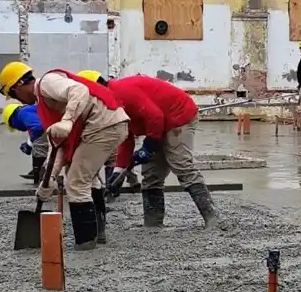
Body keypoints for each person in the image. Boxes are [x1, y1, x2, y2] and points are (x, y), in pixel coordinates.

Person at [0, 61, 128, 249]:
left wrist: (67, 120)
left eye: (12, 94)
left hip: (103, 124)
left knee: (76, 181)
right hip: (104, 124)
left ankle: (85, 243)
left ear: (18, 84)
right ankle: (98, 234)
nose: (17, 100)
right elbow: (58, 144)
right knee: (86, 177)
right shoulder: (43, 105)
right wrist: (49, 179)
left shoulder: (46, 83)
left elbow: (79, 90)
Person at [77, 70, 225, 230]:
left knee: (181, 164)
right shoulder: (109, 104)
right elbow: (126, 136)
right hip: (157, 124)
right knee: (151, 174)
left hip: (178, 116)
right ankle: (153, 224)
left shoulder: (122, 93)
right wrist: (119, 171)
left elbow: (155, 116)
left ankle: (212, 218)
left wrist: (148, 146)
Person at [1, 103, 49, 184]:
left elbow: (38, 128)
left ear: (12, 119)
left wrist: (29, 144)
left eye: (14, 126)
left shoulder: (22, 112)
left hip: (50, 126)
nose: (17, 129)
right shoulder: (29, 110)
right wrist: (29, 143)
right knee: (38, 141)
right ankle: (40, 169)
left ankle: (39, 171)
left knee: (38, 144)